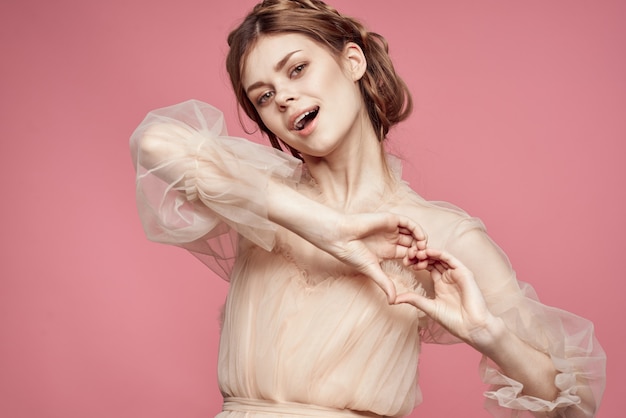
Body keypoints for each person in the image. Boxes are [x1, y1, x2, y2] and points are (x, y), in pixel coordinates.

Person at [129, 0, 606, 416]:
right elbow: (154, 142)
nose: (285, 97)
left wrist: (488, 334)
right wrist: (326, 226)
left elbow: (575, 407)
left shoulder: (439, 233)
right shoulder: (261, 195)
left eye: (297, 69)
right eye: (265, 97)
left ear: (352, 60)